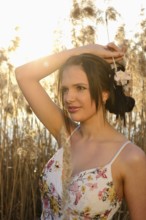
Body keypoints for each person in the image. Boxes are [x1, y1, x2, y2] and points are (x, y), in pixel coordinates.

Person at [15, 43, 146, 220]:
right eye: (65, 89)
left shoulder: (130, 157)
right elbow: (24, 75)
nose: (69, 98)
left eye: (80, 88)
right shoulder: (67, 135)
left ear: (105, 93)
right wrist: (83, 50)